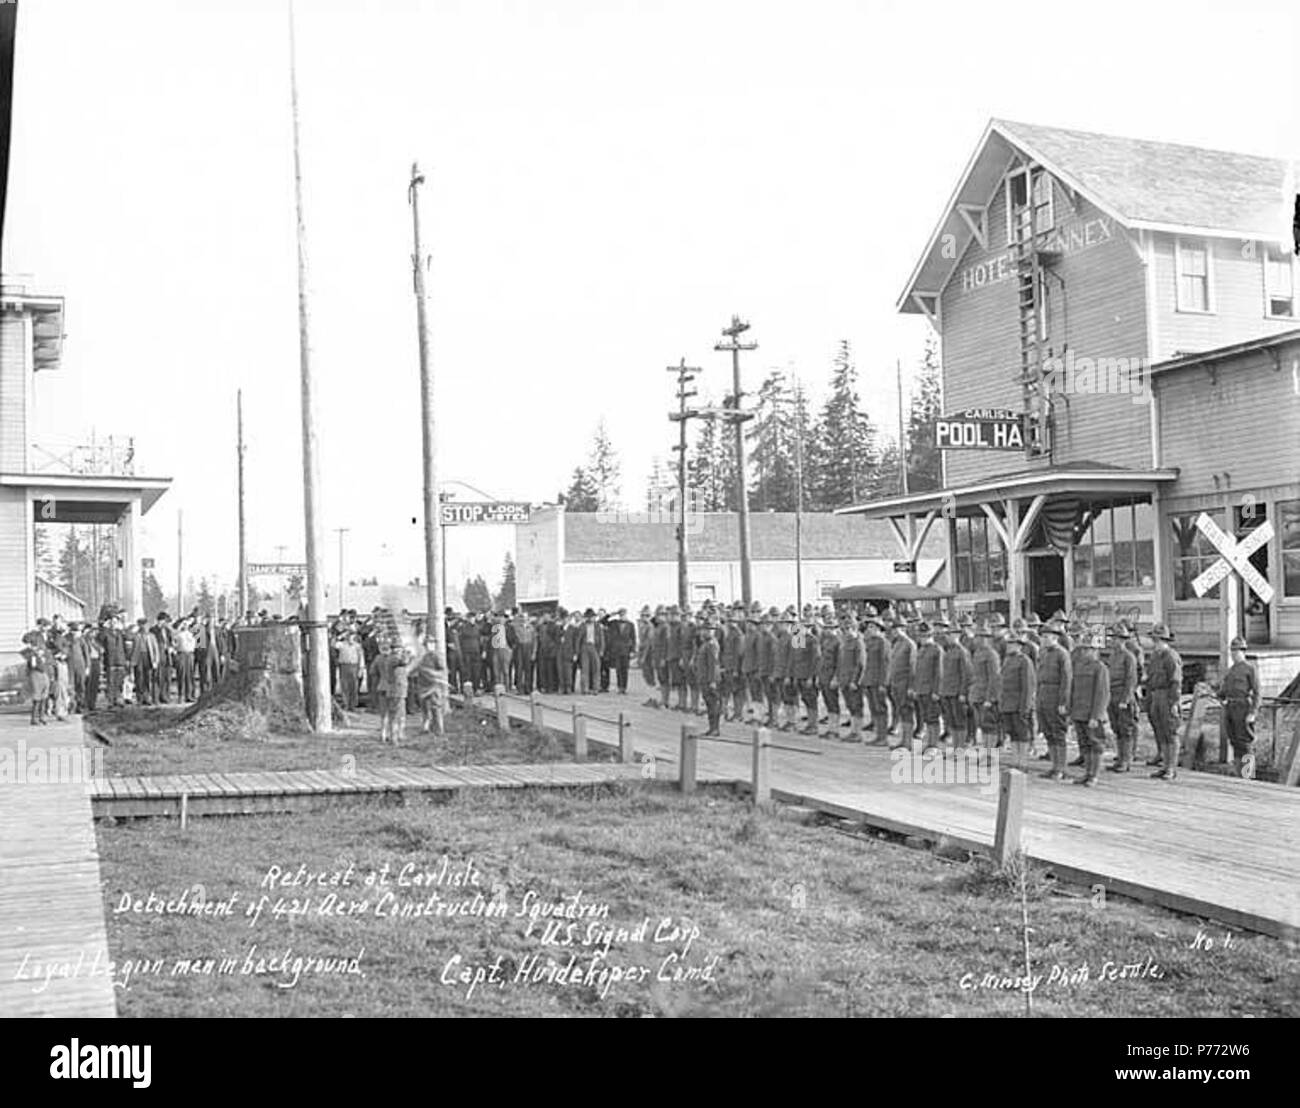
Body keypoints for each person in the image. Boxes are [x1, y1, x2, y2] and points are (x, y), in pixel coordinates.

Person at [1068, 632, 1111, 787]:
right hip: (1079, 711)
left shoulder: (1100, 668)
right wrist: (1071, 711)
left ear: (1095, 651)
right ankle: (1087, 772)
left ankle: (1094, 775)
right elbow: (1073, 690)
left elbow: (1102, 694)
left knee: (1096, 743)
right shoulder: (1078, 666)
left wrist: (1096, 715)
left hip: (1092, 713)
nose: (1085, 652)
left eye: (1089, 649)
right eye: (1083, 649)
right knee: (1084, 743)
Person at [1219, 636, 1260, 780]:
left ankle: (1247, 774)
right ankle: (1238, 772)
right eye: (1232, 651)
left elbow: (1257, 693)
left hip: (1243, 707)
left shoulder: (1250, 669)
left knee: (1245, 741)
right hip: (1230, 706)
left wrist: (1253, 712)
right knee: (1234, 739)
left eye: (1237, 651)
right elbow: (1224, 690)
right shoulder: (1231, 670)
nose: (1234, 654)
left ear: (1243, 652)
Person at [1146, 623, 1184, 781]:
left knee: (1170, 732)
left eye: (1159, 640)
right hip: (1156, 695)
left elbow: (1176, 682)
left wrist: (1174, 703)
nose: (1156, 643)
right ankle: (1165, 764)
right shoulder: (1155, 656)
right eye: (1154, 640)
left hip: (1168, 696)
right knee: (1161, 731)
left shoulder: (1171, 657)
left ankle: (1171, 768)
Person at [1037, 619, 1073, 779]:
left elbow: (1066, 679)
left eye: (1047, 636)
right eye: (1043, 636)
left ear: (1055, 637)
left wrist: (1063, 702)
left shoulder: (1062, 654)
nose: (1044, 639)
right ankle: (1054, 765)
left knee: (1058, 731)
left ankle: (1061, 768)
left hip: (1055, 694)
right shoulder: (1043, 653)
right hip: (1043, 694)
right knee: (1048, 732)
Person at [1105, 624, 1140, 773]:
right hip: (1112, 694)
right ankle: (1120, 758)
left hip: (1123, 695)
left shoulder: (1129, 657)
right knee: (1117, 728)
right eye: (1112, 638)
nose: (1112, 641)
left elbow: (1131, 679)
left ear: (1122, 640)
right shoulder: (1113, 656)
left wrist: (1125, 699)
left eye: (1115, 639)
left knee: (1126, 728)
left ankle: (1126, 760)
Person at [999, 632, 1036, 765]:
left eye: (1012, 644)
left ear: (1019, 646)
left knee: (1022, 734)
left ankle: (1023, 762)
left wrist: (1025, 707)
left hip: (1018, 703)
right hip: (1008, 703)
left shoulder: (1025, 661)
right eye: (1008, 643)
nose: (1009, 646)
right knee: (1013, 734)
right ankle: (1015, 761)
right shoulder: (1007, 660)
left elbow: (1028, 686)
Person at [937, 618, 972, 753]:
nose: (948, 637)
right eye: (947, 634)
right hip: (947, 691)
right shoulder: (948, 651)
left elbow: (966, 674)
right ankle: (955, 747)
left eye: (951, 634)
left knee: (960, 721)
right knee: (951, 720)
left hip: (957, 692)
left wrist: (963, 693)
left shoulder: (962, 652)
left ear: (957, 635)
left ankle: (960, 749)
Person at [913, 621, 943, 751]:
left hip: (931, 690)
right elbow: (917, 671)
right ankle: (929, 743)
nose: (922, 638)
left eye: (925, 636)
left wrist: (937, 690)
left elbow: (939, 672)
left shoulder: (937, 650)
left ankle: (933, 745)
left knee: (932, 718)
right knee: (926, 717)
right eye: (921, 636)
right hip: (921, 689)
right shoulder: (921, 650)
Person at [376, 638, 411, 744]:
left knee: (397, 713)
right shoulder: (394, 659)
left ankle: (395, 735)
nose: (399, 651)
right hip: (396, 690)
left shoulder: (392, 658)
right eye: (399, 649)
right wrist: (407, 653)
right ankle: (394, 737)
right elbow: (405, 661)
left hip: (398, 690)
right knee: (395, 714)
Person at [697, 613, 723, 737]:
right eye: (704, 630)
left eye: (708, 630)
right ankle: (711, 727)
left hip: (710, 679)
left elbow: (713, 665)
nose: (705, 632)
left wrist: (712, 681)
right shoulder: (706, 644)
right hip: (704, 678)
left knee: (713, 704)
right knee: (709, 704)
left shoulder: (712, 645)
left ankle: (715, 728)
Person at [23, 632, 50, 726]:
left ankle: (42, 716)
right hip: (36, 674)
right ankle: (34, 718)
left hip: (43, 673)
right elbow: (33, 665)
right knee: (37, 697)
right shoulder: (30, 653)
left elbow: (47, 660)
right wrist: (36, 656)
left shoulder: (43, 649)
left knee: (44, 696)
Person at [578, 608, 605, 695]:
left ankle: (595, 688)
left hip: (594, 647)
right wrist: (577, 650)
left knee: (596, 668)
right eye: (588, 617)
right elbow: (578, 639)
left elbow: (601, 639)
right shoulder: (582, 626)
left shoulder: (598, 626)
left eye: (592, 617)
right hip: (584, 647)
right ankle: (585, 689)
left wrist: (601, 650)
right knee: (585, 669)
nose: (590, 618)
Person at [336, 632, 363, 711]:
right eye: (349, 637)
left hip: (354, 666)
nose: (351, 639)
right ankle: (346, 704)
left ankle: (353, 705)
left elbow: (361, 658)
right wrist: (339, 636)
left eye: (352, 637)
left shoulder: (357, 646)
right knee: (345, 686)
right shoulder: (341, 644)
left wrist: (361, 669)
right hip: (344, 666)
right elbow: (333, 644)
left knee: (354, 686)